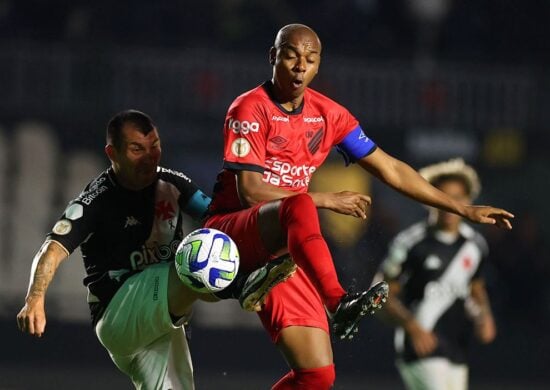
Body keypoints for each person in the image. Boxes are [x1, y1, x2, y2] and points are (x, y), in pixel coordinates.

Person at [204, 24, 513, 389]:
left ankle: (293, 288)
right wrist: (323, 199)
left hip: (281, 252)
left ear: (319, 65)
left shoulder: (329, 115)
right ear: (274, 57)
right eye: (291, 56)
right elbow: (252, 192)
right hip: (233, 232)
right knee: (300, 207)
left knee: (317, 376)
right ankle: (338, 303)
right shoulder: (249, 108)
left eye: (311, 59)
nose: (301, 66)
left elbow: (392, 169)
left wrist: (464, 210)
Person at [16, 109, 294, 390]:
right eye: (137, 149)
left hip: (159, 314)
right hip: (119, 311)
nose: (150, 158)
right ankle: (242, 286)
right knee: (201, 254)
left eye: (155, 146)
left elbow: (222, 220)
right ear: (113, 153)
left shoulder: (172, 183)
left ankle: (244, 281)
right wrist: (35, 298)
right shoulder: (97, 199)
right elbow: (52, 248)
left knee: (215, 242)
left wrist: (266, 225)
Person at [375, 158, 497, 390]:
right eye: (443, 196)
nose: (450, 204)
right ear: (430, 199)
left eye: (458, 197)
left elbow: (476, 287)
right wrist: (412, 327)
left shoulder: (475, 244)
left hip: (457, 348)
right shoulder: (411, 243)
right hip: (421, 348)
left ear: (468, 200)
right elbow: (380, 293)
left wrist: (485, 316)